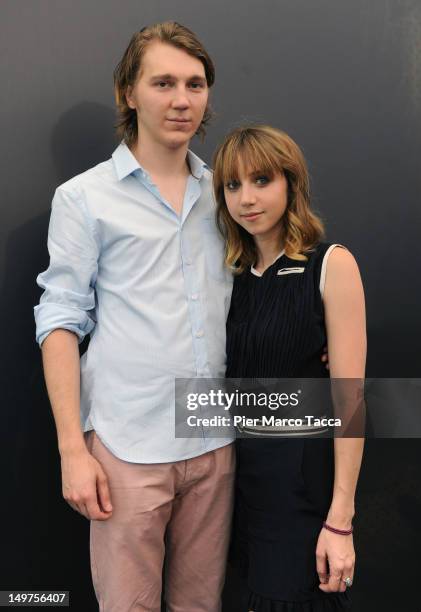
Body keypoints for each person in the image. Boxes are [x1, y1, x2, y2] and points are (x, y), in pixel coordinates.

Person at [34, 22, 236, 612]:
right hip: (127, 445)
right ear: (129, 92)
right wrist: (73, 449)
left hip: (216, 439)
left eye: (195, 84)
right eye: (164, 82)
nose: (182, 100)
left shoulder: (225, 193)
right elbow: (60, 321)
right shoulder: (84, 198)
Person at [212, 125, 366, 611]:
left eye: (261, 180)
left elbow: (351, 400)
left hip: (300, 483)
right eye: (232, 186)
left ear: (290, 183)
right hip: (234, 479)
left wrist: (340, 519)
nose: (246, 198)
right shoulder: (230, 278)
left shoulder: (330, 264)